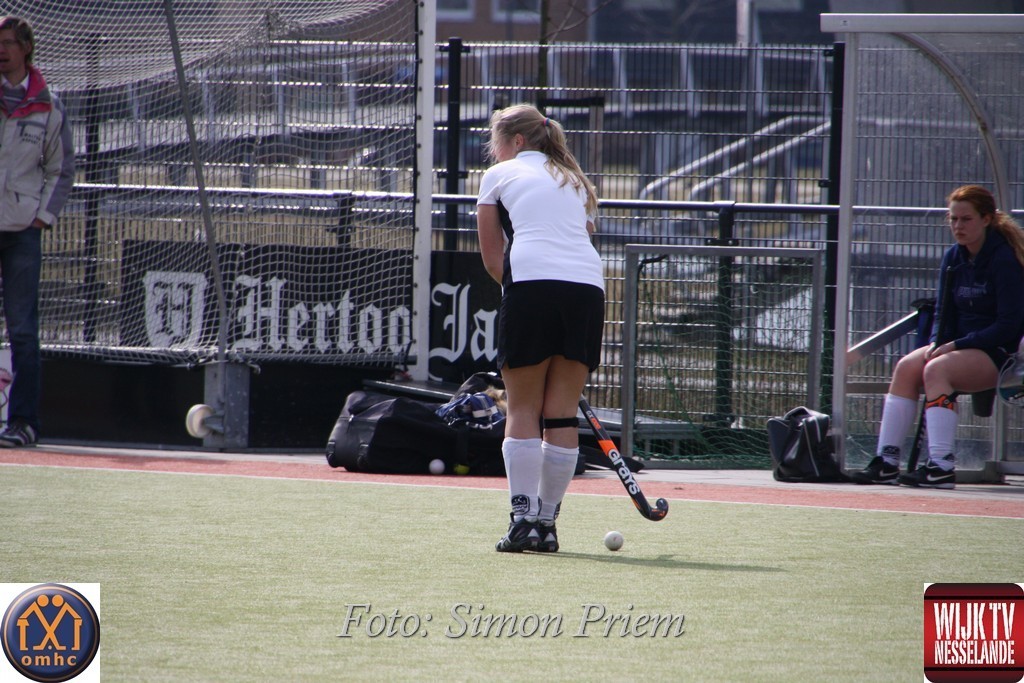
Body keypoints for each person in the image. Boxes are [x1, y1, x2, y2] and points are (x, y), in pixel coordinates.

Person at [476, 104, 604, 552]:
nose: (493, 151)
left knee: (522, 408)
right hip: (587, 290)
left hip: (531, 286)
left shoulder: (498, 175)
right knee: (561, 414)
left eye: (496, 142)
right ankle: (547, 526)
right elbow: (582, 236)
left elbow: (492, 257)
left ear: (516, 141)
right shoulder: (576, 179)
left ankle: (522, 522)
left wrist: (521, 295)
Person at [852, 185, 1024, 489]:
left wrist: (955, 345)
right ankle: (886, 462)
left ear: (986, 219)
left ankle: (941, 466)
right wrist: (936, 342)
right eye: (953, 219)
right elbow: (943, 312)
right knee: (907, 366)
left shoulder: (1004, 259)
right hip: (958, 347)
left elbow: (1008, 326)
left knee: (937, 369)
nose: (958, 226)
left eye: (966, 219)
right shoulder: (953, 257)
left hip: (1001, 352)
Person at [0, 16, 75, 447]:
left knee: (23, 331)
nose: (2, 49)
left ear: (26, 48)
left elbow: (61, 169)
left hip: (22, 232)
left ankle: (24, 422)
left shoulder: (48, 104)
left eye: (9, 42)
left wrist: (42, 217)